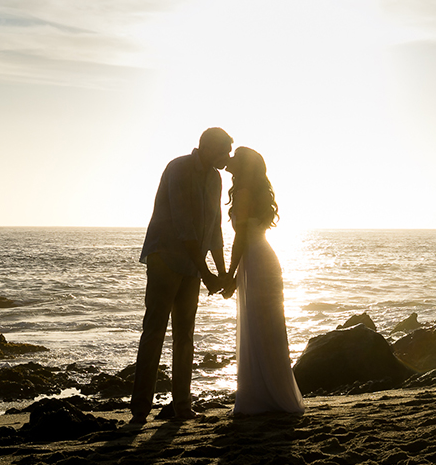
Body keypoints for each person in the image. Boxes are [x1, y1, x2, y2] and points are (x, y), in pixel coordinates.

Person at [129, 128, 233, 424]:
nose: (228, 157)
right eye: (225, 150)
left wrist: (221, 273)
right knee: (155, 331)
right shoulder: (179, 168)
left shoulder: (215, 178)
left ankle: (182, 407)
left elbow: (214, 230)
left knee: (185, 335)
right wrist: (208, 274)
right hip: (166, 258)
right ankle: (140, 410)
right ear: (210, 148)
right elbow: (183, 226)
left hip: (192, 265)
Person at [221, 146, 305, 416]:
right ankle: (270, 393)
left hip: (254, 260)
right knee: (265, 326)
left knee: (261, 325)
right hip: (261, 257)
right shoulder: (252, 192)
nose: (229, 159)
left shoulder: (244, 193)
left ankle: (265, 396)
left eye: (235, 157)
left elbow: (241, 237)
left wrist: (231, 274)